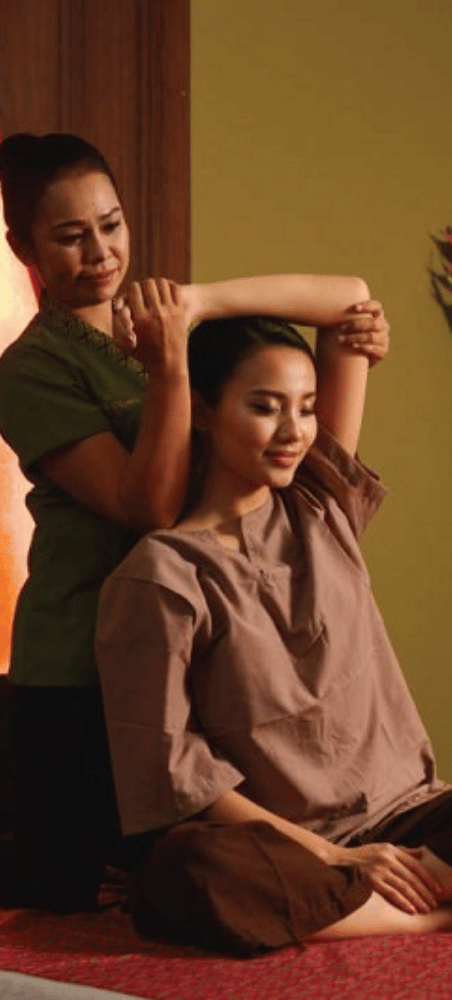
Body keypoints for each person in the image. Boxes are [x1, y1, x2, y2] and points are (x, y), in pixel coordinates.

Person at [94, 310, 452, 953]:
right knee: (191, 869)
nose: (293, 431)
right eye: (264, 407)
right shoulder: (161, 574)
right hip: (284, 843)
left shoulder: (323, 507)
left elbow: (348, 303)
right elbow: (173, 771)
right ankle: (444, 914)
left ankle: (370, 904)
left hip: (408, 817)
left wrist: (198, 300)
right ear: (201, 411)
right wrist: (338, 857)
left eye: (306, 408)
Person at [0, 131, 384, 911]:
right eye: (70, 237)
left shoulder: (169, 327)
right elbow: (148, 509)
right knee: (70, 911)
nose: (100, 253)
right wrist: (172, 365)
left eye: (111, 225)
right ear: (23, 248)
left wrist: (201, 303)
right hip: (75, 669)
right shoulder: (30, 369)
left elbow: (350, 298)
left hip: (198, 647)